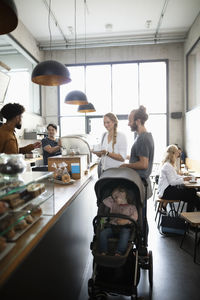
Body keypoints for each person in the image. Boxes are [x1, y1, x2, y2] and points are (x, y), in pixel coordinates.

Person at [120, 105, 154, 199]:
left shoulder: (142, 139)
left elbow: (143, 164)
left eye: (130, 121)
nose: (128, 124)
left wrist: (126, 166)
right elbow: (141, 156)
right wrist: (127, 157)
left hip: (140, 183)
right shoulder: (144, 136)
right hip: (141, 182)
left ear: (138, 121)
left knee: (138, 213)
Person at [157, 144, 200, 212]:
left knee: (193, 194)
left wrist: (186, 177)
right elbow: (172, 182)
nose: (178, 154)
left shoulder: (168, 164)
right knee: (192, 194)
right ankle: (190, 217)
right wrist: (184, 179)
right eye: (177, 152)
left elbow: (175, 176)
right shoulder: (167, 166)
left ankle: (191, 216)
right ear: (172, 154)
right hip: (166, 192)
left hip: (168, 190)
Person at [99, 186, 138, 256]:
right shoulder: (113, 204)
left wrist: (126, 221)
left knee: (125, 235)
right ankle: (103, 251)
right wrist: (113, 196)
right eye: (114, 198)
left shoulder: (131, 207)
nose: (115, 199)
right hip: (112, 226)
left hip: (125, 228)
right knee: (103, 234)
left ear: (124, 196)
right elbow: (105, 201)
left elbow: (135, 217)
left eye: (116, 197)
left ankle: (119, 252)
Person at [92, 113, 127, 177]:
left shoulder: (121, 136)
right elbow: (102, 155)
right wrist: (97, 153)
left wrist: (107, 153)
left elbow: (122, 158)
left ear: (114, 122)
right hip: (104, 172)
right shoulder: (104, 135)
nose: (106, 125)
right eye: (104, 122)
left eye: (108, 122)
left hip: (117, 173)